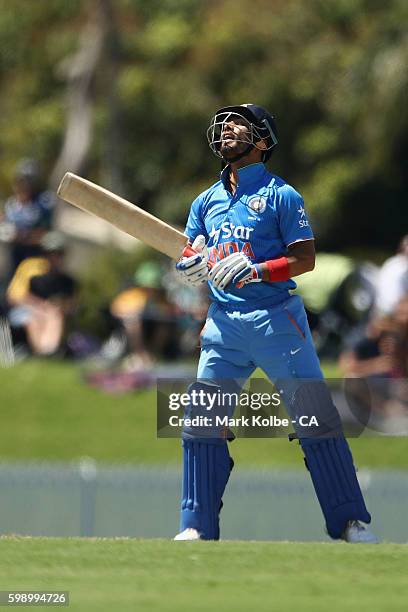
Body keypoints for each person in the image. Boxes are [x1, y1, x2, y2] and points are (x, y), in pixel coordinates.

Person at [174, 104, 378, 543]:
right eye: (224, 124)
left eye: (239, 125)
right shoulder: (203, 202)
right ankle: (195, 526)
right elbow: (191, 253)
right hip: (223, 325)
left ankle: (349, 522)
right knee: (201, 420)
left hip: (276, 322)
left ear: (262, 141)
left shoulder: (283, 195)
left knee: (316, 418)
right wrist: (188, 267)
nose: (228, 129)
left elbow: (305, 259)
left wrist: (257, 270)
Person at [0, 159, 55, 276]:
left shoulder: (43, 204)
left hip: (33, 256)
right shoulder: (11, 204)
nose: (23, 185)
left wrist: (22, 236)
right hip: (13, 254)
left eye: (27, 181)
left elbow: (45, 234)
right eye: (21, 181)